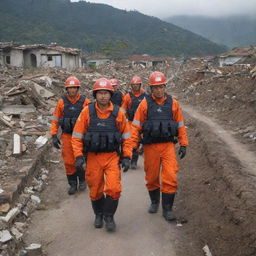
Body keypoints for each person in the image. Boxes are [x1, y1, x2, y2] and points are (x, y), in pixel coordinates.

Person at [72, 78, 132, 232]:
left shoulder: (119, 113)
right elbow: (77, 136)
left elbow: (126, 137)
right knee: (95, 188)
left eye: (106, 93)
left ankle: (109, 216)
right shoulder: (87, 112)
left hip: (112, 156)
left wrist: (127, 156)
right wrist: (79, 156)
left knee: (114, 188)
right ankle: (98, 214)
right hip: (93, 157)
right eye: (100, 93)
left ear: (110, 94)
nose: (103, 96)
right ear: (95, 95)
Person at [131, 71, 188, 222]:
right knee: (152, 177)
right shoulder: (144, 104)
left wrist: (183, 144)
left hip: (168, 146)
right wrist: (133, 145)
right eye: (155, 87)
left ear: (165, 87)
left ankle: (167, 209)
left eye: (161, 87)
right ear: (151, 88)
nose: (158, 90)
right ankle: (155, 201)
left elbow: (180, 125)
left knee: (170, 176)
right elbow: (136, 126)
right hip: (150, 147)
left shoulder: (173, 104)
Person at [50, 76, 90, 195]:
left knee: (80, 160)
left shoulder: (85, 102)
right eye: (70, 88)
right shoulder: (61, 102)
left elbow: (90, 119)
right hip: (67, 136)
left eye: (74, 88)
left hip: (81, 137)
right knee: (68, 161)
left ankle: (82, 180)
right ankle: (73, 183)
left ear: (77, 88)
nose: (72, 90)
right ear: (66, 89)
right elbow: (55, 119)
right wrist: (53, 135)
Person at [121, 75, 147, 169]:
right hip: (131, 122)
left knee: (144, 140)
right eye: (134, 85)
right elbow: (123, 110)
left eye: (137, 85)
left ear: (140, 85)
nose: (135, 86)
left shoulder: (145, 96)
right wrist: (122, 121)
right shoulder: (128, 96)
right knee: (133, 141)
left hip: (143, 122)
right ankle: (133, 161)